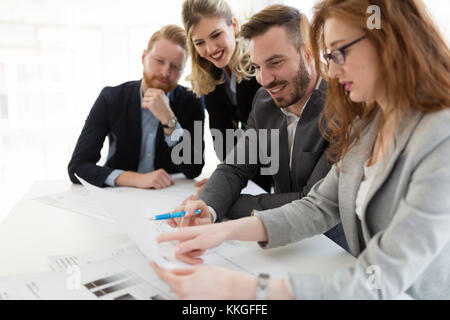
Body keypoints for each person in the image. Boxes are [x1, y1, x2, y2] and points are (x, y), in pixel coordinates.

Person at [152, 0, 450, 300]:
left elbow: (378, 280)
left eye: (339, 52)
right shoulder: (372, 122)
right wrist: (221, 230)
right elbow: (319, 204)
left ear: (388, 40)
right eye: (329, 55)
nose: (331, 70)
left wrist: (247, 290)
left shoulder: (439, 136)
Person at [172, 4, 349, 251]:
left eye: (275, 63)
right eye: (256, 67)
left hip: (332, 247)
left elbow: (310, 202)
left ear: (309, 53)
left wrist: (224, 205)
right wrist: (209, 207)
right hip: (282, 246)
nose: (264, 80)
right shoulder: (265, 101)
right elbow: (234, 167)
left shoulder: (345, 107)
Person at [68, 25, 204, 189]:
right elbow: (77, 167)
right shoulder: (111, 98)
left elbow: (194, 169)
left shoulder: (192, 101)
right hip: (120, 192)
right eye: (159, 61)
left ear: (183, 71)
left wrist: (169, 121)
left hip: (167, 193)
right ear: (144, 57)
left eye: (175, 66)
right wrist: (136, 179)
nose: (165, 72)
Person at [181, 0, 272, 192]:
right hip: (248, 172)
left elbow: (262, 136)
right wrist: (227, 176)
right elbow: (221, 134)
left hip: (274, 167)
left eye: (216, 35)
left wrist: (231, 179)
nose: (211, 48)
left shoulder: (260, 65)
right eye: (200, 43)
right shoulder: (211, 75)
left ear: (234, 26)